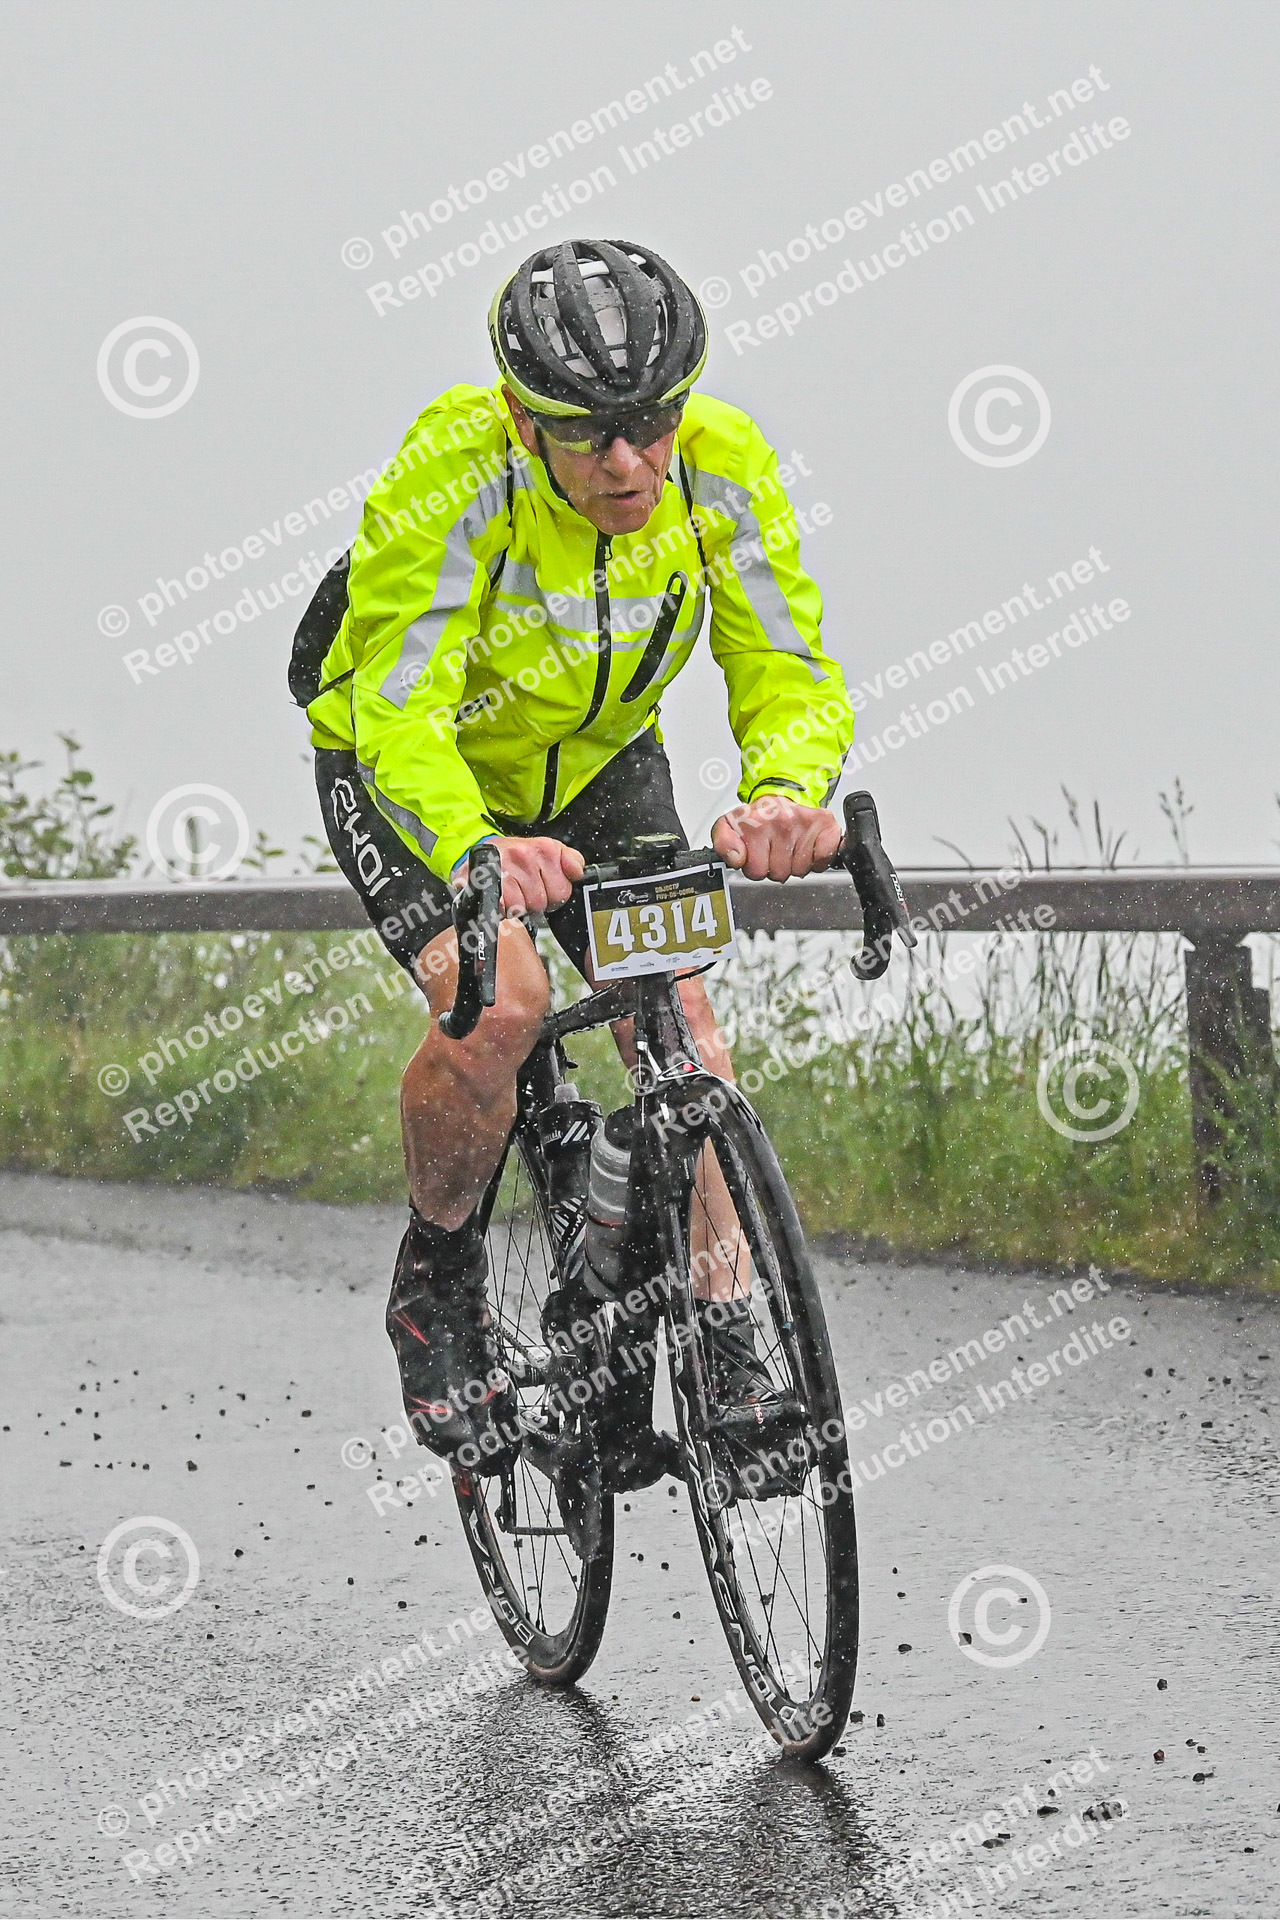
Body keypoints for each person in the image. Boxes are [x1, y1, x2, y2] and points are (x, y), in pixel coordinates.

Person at [296, 238, 853, 1478]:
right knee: (503, 1004)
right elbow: (399, 702)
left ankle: (723, 1342)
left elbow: (784, 665)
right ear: (519, 417)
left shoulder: (723, 463)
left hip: (596, 767)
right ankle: (437, 1276)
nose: (628, 462)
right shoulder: (455, 467)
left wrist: (784, 792)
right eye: (586, 434)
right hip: (412, 768)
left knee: (684, 1030)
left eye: (651, 423)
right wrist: (472, 845)